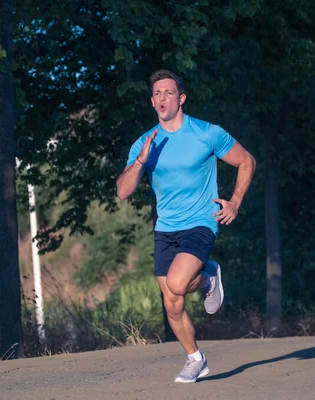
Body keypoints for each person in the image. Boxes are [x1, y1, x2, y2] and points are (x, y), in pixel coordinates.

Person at [116, 69, 256, 383]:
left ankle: (206, 276)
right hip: (165, 228)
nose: (162, 98)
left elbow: (247, 161)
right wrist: (140, 161)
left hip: (201, 222)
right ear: (152, 102)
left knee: (178, 285)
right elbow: (123, 191)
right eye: (156, 94)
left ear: (181, 98)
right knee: (171, 301)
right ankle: (195, 358)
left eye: (168, 92)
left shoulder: (207, 133)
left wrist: (234, 201)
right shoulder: (145, 143)